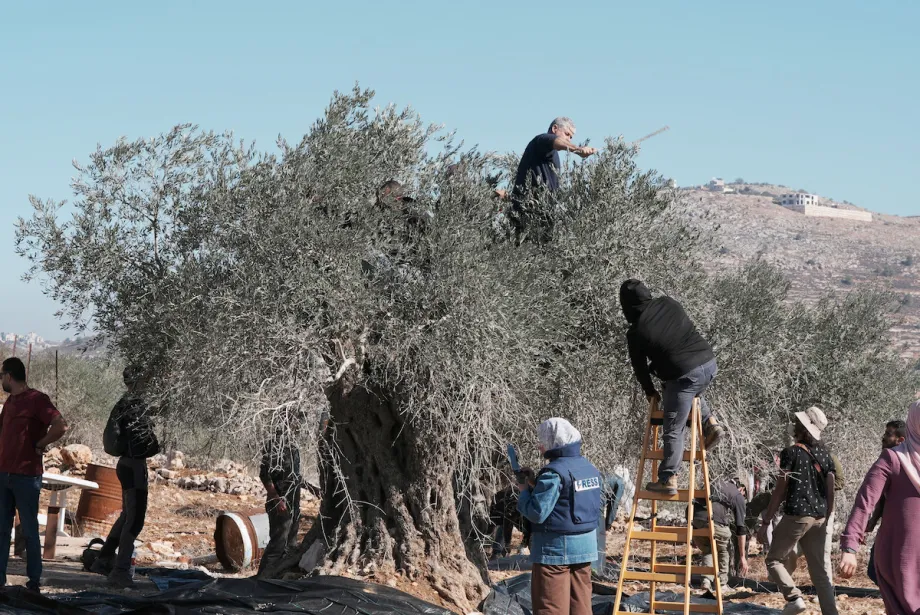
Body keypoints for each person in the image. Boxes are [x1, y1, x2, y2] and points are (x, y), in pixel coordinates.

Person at [619, 279, 725, 495]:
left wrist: (650, 392)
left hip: (684, 374)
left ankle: (668, 478)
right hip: (708, 363)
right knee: (688, 388)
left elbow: (639, 368)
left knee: (673, 428)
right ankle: (710, 423)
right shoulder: (669, 303)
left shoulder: (636, 332)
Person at [756, 406, 837, 615]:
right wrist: (827, 517)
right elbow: (830, 490)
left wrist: (766, 522)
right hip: (819, 516)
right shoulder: (825, 455)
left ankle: (793, 598)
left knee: (773, 560)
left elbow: (780, 490)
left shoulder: (790, 453)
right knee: (819, 572)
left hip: (797, 515)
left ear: (802, 428)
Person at [839, 408, 919, 614]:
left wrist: (850, 546)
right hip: (900, 558)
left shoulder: (892, 458)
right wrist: (850, 545)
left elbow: (864, 502)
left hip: (897, 556)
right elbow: (866, 502)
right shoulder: (893, 459)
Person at [517, 418, 601, 615]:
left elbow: (537, 513)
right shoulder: (589, 468)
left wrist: (523, 490)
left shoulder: (552, 473)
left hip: (555, 551)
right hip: (586, 548)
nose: (540, 445)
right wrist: (534, 481)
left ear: (554, 441)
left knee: (551, 607)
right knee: (580, 604)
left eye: (543, 440)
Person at [0, 357, 68, 592]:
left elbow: (60, 425)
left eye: (1, 376)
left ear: (9, 376)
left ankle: (34, 582)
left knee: (29, 530)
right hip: (4, 475)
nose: (1, 380)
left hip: (26, 476)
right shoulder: (10, 403)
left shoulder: (37, 400)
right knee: (1, 529)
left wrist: (41, 443)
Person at [91, 366, 160, 587]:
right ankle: (120, 572)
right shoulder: (135, 407)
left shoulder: (122, 403)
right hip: (134, 466)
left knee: (126, 515)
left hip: (124, 464)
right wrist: (157, 445)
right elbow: (143, 443)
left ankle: (104, 559)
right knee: (135, 520)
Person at [508, 118, 597, 242]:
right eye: (567, 134)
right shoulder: (541, 140)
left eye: (571, 137)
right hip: (529, 215)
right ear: (555, 129)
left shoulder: (551, 154)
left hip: (543, 215)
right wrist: (578, 149)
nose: (569, 139)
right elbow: (556, 141)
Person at [862, 419, 906, 585]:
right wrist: (872, 522)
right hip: (888, 527)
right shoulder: (888, 461)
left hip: (904, 529)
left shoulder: (908, 464)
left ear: (900, 440)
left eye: (888, 434)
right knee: (875, 570)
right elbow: (879, 497)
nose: (883, 438)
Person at [257, 423, 302, 578]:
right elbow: (264, 475)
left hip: (294, 504)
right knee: (277, 544)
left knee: (291, 545)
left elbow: (294, 476)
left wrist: (310, 487)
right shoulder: (274, 444)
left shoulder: (294, 447)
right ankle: (261, 580)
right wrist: (276, 499)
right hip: (279, 504)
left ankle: (278, 580)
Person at [692, 478, 749, 592]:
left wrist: (694, 532)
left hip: (694, 519)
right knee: (723, 549)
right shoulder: (738, 495)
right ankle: (722, 584)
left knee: (708, 550)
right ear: (742, 488)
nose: (744, 498)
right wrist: (742, 557)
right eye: (745, 495)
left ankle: (706, 581)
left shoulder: (716, 482)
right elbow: (741, 529)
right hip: (713, 520)